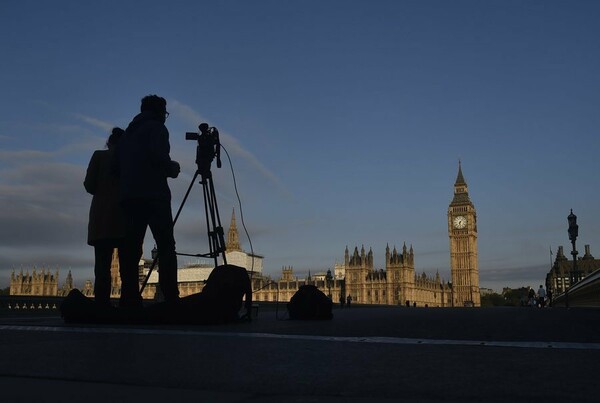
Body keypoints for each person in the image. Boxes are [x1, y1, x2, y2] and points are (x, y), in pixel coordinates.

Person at [117, 95, 181, 307]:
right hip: (154, 195)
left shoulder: (127, 134)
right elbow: (158, 157)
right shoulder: (157, 128)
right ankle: (170, 298)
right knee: (166, 247)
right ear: (159, 111)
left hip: (129, 197)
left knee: (130, 249)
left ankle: (129, 298)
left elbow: (115, 168)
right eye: (164, 112)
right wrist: (172, 168)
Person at [84, 128, 125, 307]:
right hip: (125, 215)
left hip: (101, 215)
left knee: (102, 266)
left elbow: (89, 185)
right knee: (128, 266)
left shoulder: (99, 156)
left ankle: (101, 304)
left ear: (109, 142)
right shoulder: (130, 160)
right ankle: (129, 304)